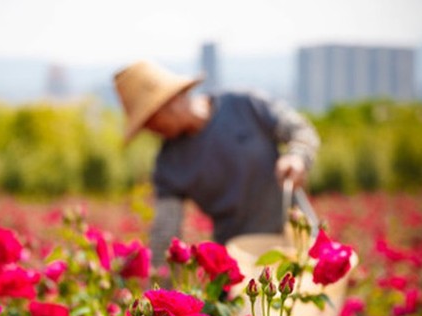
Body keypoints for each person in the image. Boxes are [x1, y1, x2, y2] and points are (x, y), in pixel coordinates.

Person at [113, 60, 320, 268]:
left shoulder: (244, 104)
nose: (150, 130)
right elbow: (166, 231)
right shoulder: (169, 165)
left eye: (150, 121)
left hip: (298, 239)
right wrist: (158, 288)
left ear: (169, 102)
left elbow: (300, 131)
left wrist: (298, 156)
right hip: (238, 260)